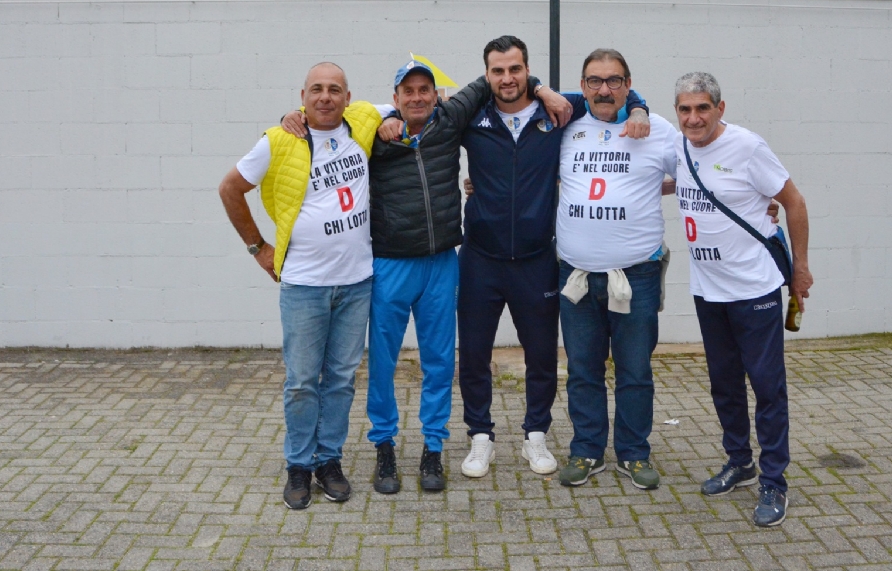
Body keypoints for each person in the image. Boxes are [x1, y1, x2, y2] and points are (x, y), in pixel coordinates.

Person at [280, 58, 575, 490]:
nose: (417, 98)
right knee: (383, 364)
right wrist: (295, 116)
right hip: (390, 266)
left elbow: (492, 78)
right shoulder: (370, 134)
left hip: (442, 263)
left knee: (439, 363)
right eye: (408, 92)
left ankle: (433, 449)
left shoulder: (451, 120)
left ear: (436, 95)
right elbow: (328, 117)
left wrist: (540, 85)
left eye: (425, 90)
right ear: (395, 98)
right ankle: (384, 447)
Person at [456, 37, 651, 479]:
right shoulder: (472, 116)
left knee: (542, 354)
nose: (508, 79)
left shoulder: (560, 111)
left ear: (528, 70)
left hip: (536, 258)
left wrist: (637, 110)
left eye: (516, 69)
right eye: (498, 71)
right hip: (480, 258)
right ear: (487, 75)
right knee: (473, 354)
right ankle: (480, 437)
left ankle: (535, 436)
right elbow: (412, 109)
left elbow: (616, 91)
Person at [217, 62, 382, 511]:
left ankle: (329, 461)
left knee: (342, 380)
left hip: (356, 283)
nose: (325, 97)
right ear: (302, 97)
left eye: (334, 90)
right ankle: (298, 465)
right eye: (316, 90)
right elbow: (230, 188)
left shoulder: (364, 120)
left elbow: (425, 98)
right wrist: (258, 248)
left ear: (349, 97)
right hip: (304, 285)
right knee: (303, 382)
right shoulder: (278, 140)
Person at [672, 71, 812, 528]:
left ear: (720, 108)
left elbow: (793, 201)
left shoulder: (749, 147)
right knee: (724, 383)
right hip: (707, 289)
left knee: (767, 386)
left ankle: (774, 479)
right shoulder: (678, 146)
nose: (693, 118)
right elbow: (665, 183)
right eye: (685, 109)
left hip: (754, 290)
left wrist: (800, 268)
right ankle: (740, 462)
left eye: (702, 108)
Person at [553, 49, 678, 491]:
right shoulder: (563, 127)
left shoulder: (657, 130)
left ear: (629, 83)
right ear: (581, 86)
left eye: (614, 81)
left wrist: (757, 201)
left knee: (634, 369)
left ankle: (634, 453)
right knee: (583, 369)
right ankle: (587, 449)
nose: (604, 90)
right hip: (578, 277)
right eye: (594, 81)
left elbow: (696, 176)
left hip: (636, 276)